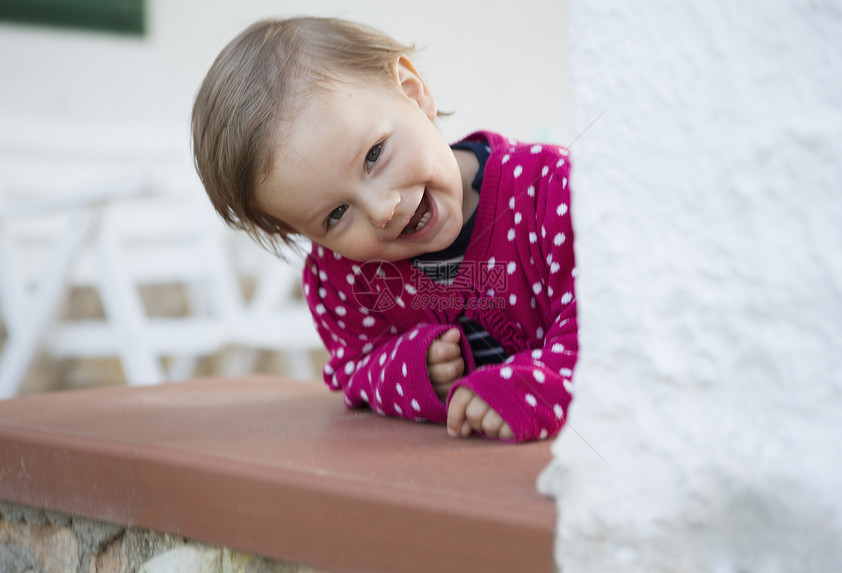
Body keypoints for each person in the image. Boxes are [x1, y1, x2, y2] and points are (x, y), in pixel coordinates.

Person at [191, 17, 577, 442]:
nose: (382, 209)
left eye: (374, 155)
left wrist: (531, 387)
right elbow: (356, 367)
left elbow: (609, 321)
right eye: (335, 215)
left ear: (413, 94)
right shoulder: (346, 276)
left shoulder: (550, 190)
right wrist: (415, 370)